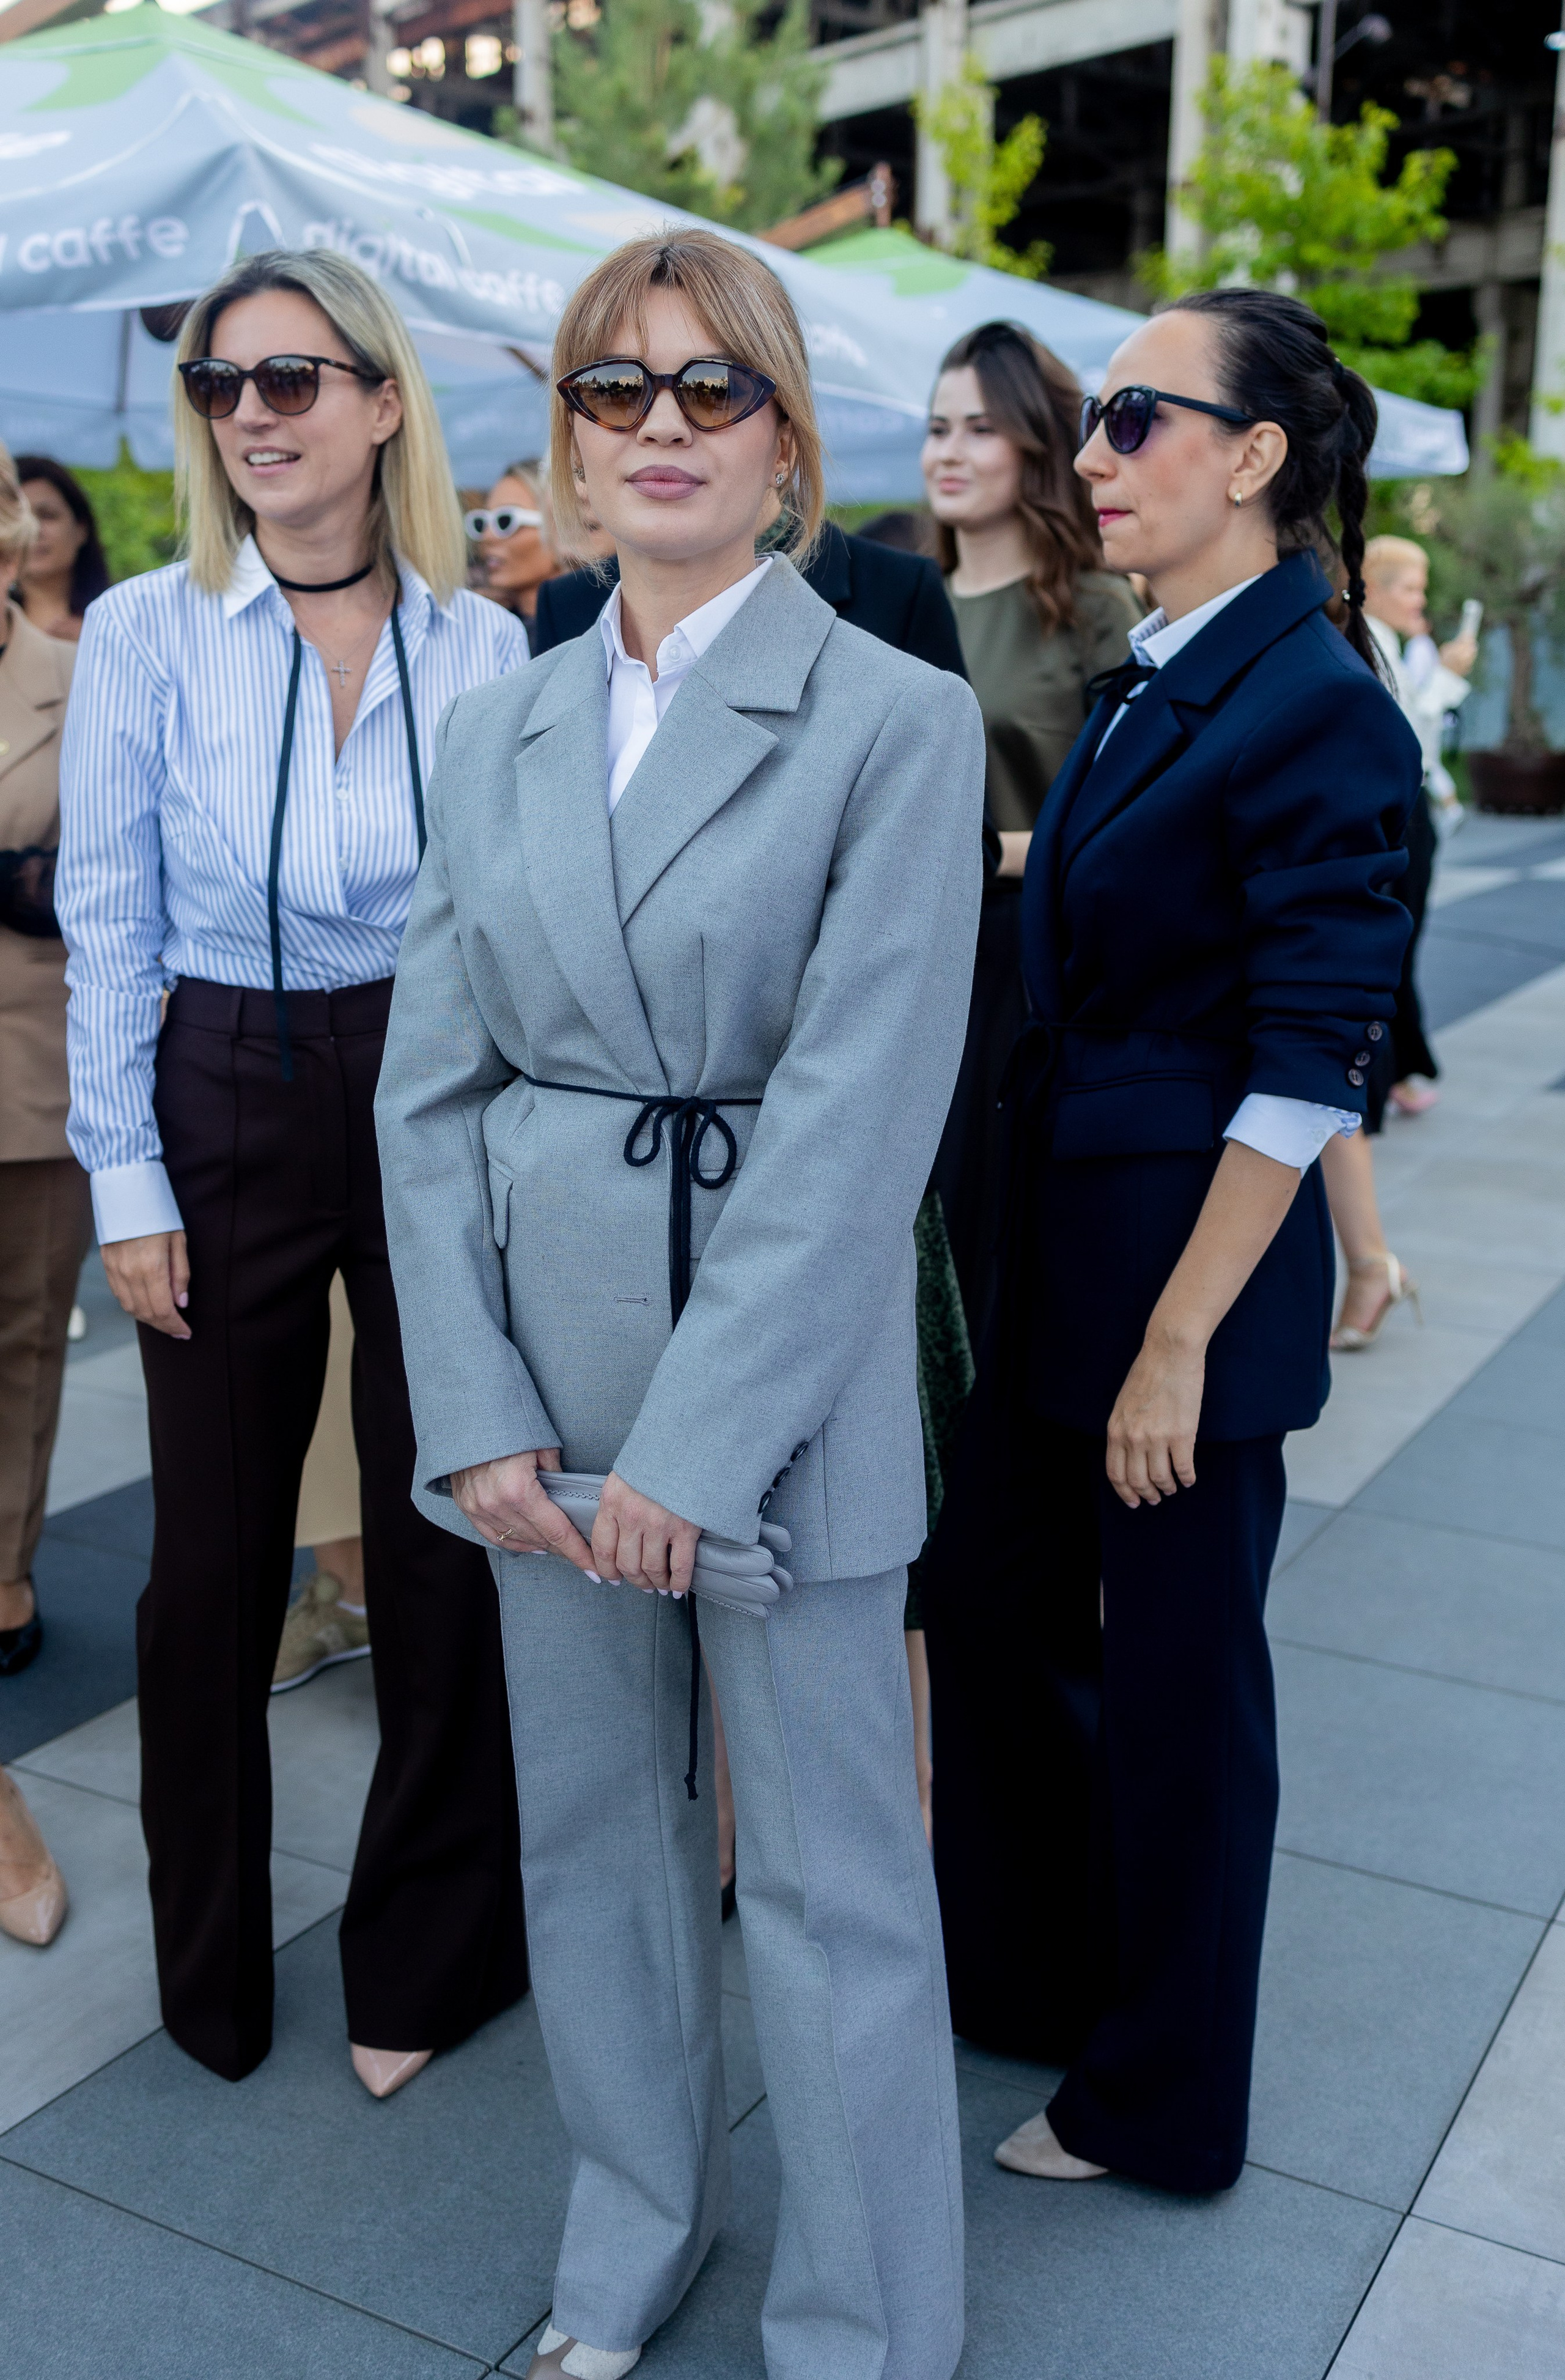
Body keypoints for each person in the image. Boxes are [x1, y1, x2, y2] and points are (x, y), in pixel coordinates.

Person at [376, 227, 984, 2380]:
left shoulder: (897, 720)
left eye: (708, 388)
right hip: (536, 1385)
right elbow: (425, 1090)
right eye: (615, 388)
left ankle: (865, 2327)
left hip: (782, 1393)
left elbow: (853, 1127)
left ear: (789, 438)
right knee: (598, 1859)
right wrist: (465, 1407)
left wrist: (700, 1453)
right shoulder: (502, 721)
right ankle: (625, 2244)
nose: (657, 426)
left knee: (827, 1893)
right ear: (563, 427)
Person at [924, 287, 1419, 2197]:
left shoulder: (1313, 698)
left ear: (1257, 455)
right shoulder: (1177, 655)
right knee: (991, 1613)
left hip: (1176, 1287)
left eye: (1136, 417)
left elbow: (1308, 1064)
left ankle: (1163, 2105)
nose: (1093, 450)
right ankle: (1049, 1983)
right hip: (1066, 1243)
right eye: (1094, 417)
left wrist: (1179, 1339)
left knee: (1180, 1702)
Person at [56, 249, 531, 2096]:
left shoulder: (484, 644)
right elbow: (106, 917)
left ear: (381, 400)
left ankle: (424, 1958)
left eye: (291, 378)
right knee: (208, 1572)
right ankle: (215, 1972)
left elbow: (499, 926)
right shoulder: (147, 634)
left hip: (429, 1086)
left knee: (442, 1536)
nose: (250, 411)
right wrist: (127, 1181)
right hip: (221, 1079)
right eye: (219, 385)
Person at [921, 322, 1142, 1336]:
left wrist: (979, 855)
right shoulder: (890, 604)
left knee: (992, 1251)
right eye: (936, 428)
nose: (949, 452)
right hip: (890, 957)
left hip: (1021, 966)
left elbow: (1125, 819)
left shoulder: (1095, 609)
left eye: (980, 428)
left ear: (1035, 447)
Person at [0, 442, 88, 1699]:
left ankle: (4, 1560)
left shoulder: (85, 678)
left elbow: (128, 880)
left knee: (21, 1331)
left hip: (33, 1060)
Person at [12, 457, 111, 643]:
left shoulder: (118, 618)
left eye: (48, 516)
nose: (34, 529)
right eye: (19, 517)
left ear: (81, 528)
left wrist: (102, 642)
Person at [466, 459, 561, 628]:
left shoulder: (603, 628)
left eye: (505, 521)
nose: (487, 536)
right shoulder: (481, 630)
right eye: (482, 522)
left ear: (562, 528)